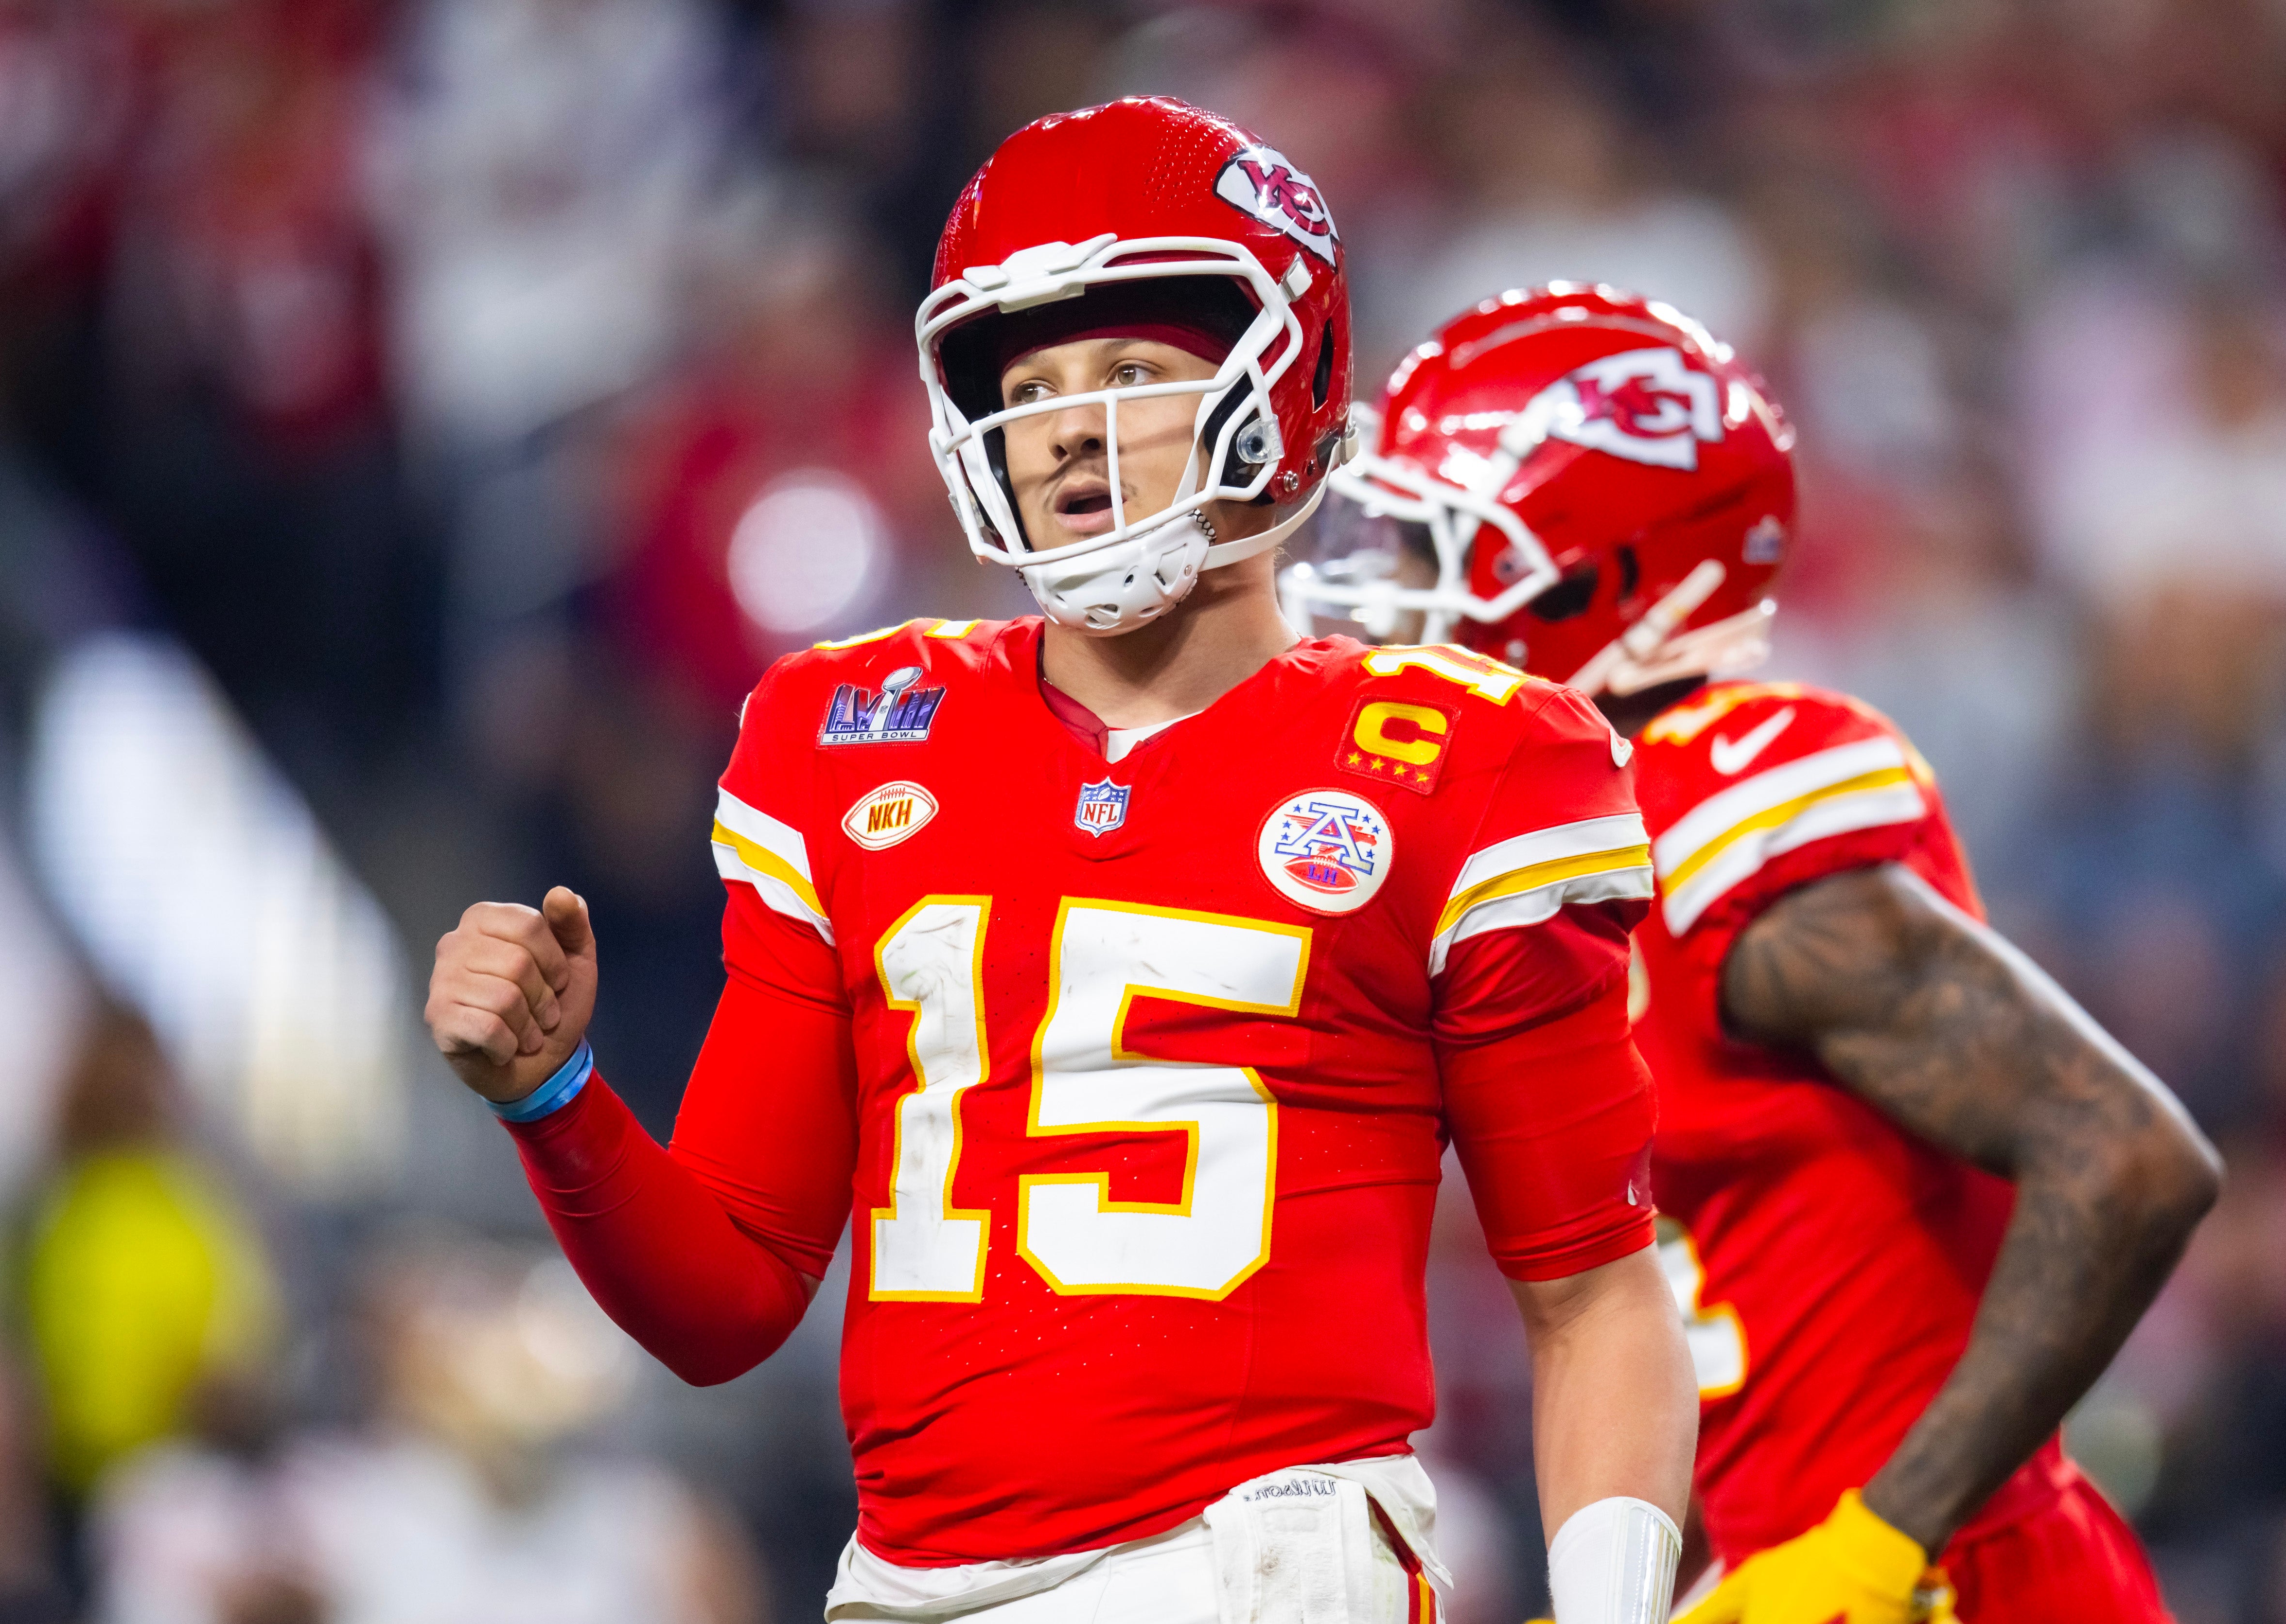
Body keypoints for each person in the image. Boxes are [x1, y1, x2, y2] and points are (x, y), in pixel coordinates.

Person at [425, 98, 1699, 1624]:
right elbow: (732, 1292)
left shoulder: (1466, 758)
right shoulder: (843, 732)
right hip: (905, 1581)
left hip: (1259, 1561)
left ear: (1280, 382)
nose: (1065, 432)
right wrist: (553, 1097)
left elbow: (1594, 1287)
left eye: (1132, 374)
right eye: (1026, 386)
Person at [1288, 283, 2222, 1624]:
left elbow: (2129, 1156)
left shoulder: (1725, 815)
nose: (1378, 606)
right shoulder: (1564, 837)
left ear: (1607, 583)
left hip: (1961, 1583)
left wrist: (1877, 1539)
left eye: (1435, 554)